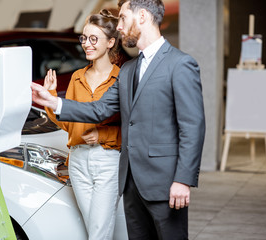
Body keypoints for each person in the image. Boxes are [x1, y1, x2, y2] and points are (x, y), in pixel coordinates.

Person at [31, 0, 206, 239]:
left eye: (123, 18)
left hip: (164, 183)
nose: (120, 26)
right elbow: (99, 110)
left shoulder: (180, 64)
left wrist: (183, 180)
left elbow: (192, 127)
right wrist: (52, 102)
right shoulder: (129, 70)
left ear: (142, 16)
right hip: (131, 184)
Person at [43, 9, 123, 240]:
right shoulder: (77, 77)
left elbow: (133, 127)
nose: (86, 44)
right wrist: (50, 97)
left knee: (98, 232)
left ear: (110, 42)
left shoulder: (121, 79)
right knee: (97, 230)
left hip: (107, 160)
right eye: (84, 38)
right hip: (78, 161)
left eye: (93, 39)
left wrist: (103, 135)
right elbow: (69, 124)